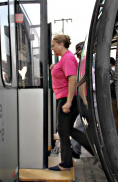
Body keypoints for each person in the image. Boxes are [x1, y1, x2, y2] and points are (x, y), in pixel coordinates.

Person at [49, 35, 94, 171]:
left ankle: (66, 163)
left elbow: (73, 80)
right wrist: (54, 68)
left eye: (53, 45)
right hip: (66, 97)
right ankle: (92, 148)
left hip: (66, 98)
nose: (52, 48)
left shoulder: (68, 58)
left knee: (63, 130)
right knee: (67, 129)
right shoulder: (66, 58)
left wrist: (68, 102)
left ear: (61, 44)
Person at [70, 41, 85, 159]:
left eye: (78, 53)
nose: (77, 56)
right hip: (85, 100)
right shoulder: (86, 61)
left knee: (79, 126)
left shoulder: (86, 61)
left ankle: (75, 150)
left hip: (88, 101)